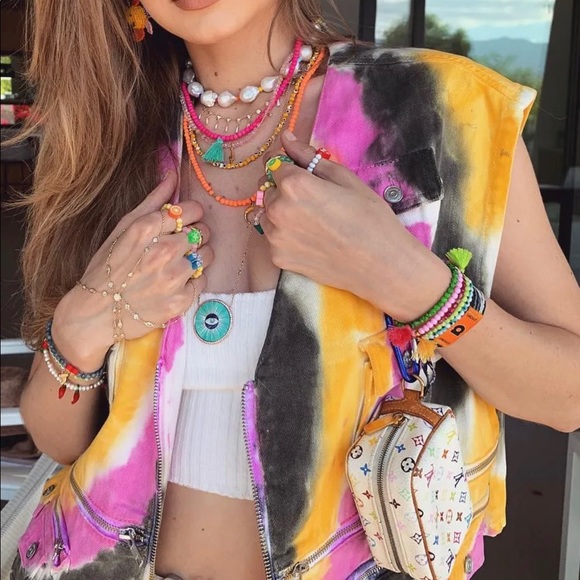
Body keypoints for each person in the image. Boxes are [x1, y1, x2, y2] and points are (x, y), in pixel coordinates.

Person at [9, 1, 580, 579]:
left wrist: (409, 282)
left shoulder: (441, 111)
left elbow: (570, 392)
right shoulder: (107, 137)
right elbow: (60, 440)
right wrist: (86, 320)